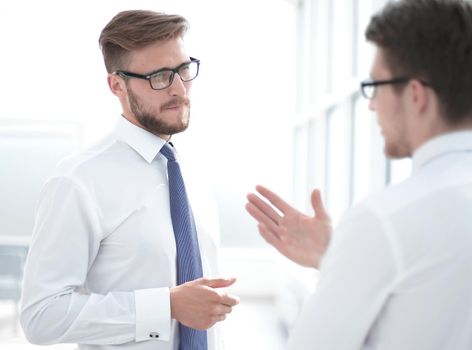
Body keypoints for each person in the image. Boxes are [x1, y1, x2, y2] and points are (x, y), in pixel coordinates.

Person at [246, 0, 472, 349]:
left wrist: (347, 258)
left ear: (415, 95)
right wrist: (339, 258)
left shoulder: (383, 221)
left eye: (376, 85)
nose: (371, 103)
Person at [20, 10, 238, 350]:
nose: (180, 89)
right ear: (117, 85)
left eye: (183, 70)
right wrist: (165, 306)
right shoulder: (78, 181)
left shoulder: (192, 171)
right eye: (160, 76)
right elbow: (41, 317)